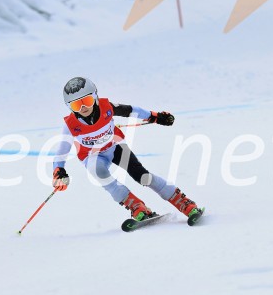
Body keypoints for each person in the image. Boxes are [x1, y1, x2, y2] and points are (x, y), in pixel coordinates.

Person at [51, 77, 204, 225]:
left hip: (115, 147)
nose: (83, 107)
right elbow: (61, 151)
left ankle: (183, 202)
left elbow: (132, 111)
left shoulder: (107, 107)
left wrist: (155, 117)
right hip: (93, 156)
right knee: (98, 172)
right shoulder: (70, 124)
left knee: (142, 176)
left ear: (95, 97)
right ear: (70, 107)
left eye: (87, 101)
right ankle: (137, 207)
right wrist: (59, 170)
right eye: (77, 105)